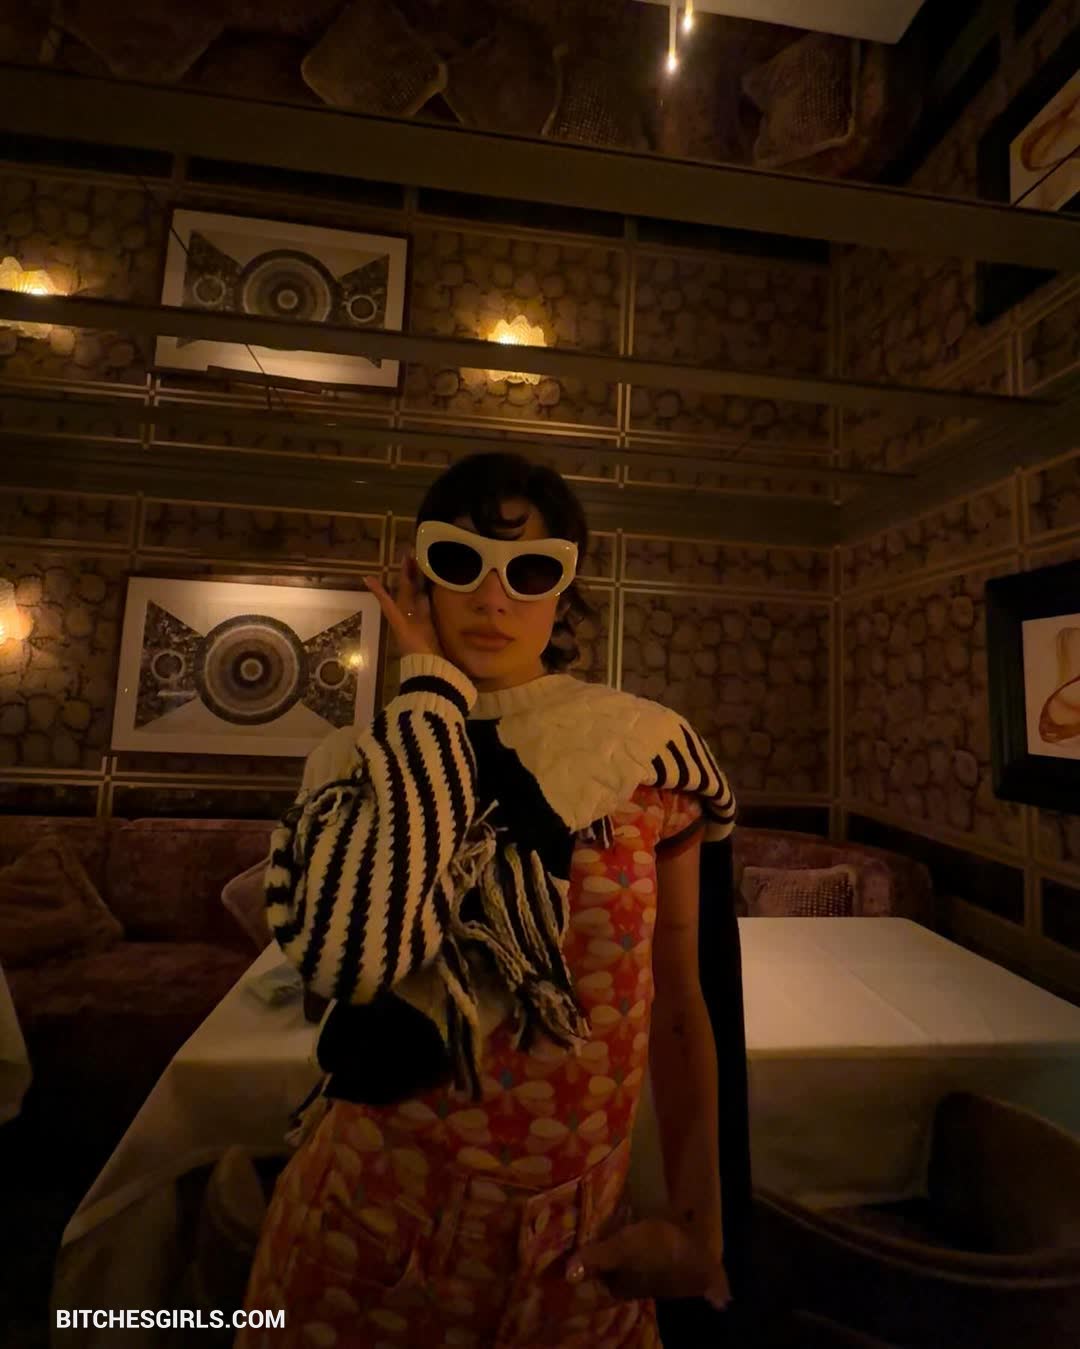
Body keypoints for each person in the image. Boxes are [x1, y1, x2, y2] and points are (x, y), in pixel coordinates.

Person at [236, 452, 739, 1348]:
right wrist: (427, 689)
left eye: (531, 570)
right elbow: (355, 968)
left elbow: (681, 1000)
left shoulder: (640, 747)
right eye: (460, 561)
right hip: (362, 1226)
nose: (494, 597)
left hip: (578, 1245)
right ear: (417, 577)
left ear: (564, 592)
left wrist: (703, 1225)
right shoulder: (353, 765)